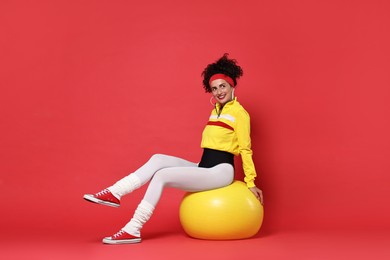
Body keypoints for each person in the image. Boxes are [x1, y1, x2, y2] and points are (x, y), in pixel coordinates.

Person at [83, 53, 264, 244]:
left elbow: (245, 148)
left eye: (222, 86)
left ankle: (133, 228)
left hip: (221, 171)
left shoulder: (239, 114)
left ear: (231, 85)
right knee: (158, 159)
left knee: (162, 175)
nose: (219, 92)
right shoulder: (215, 111)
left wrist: (251, 182)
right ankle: (115, 192)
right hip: (204, 165)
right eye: (214, 89)